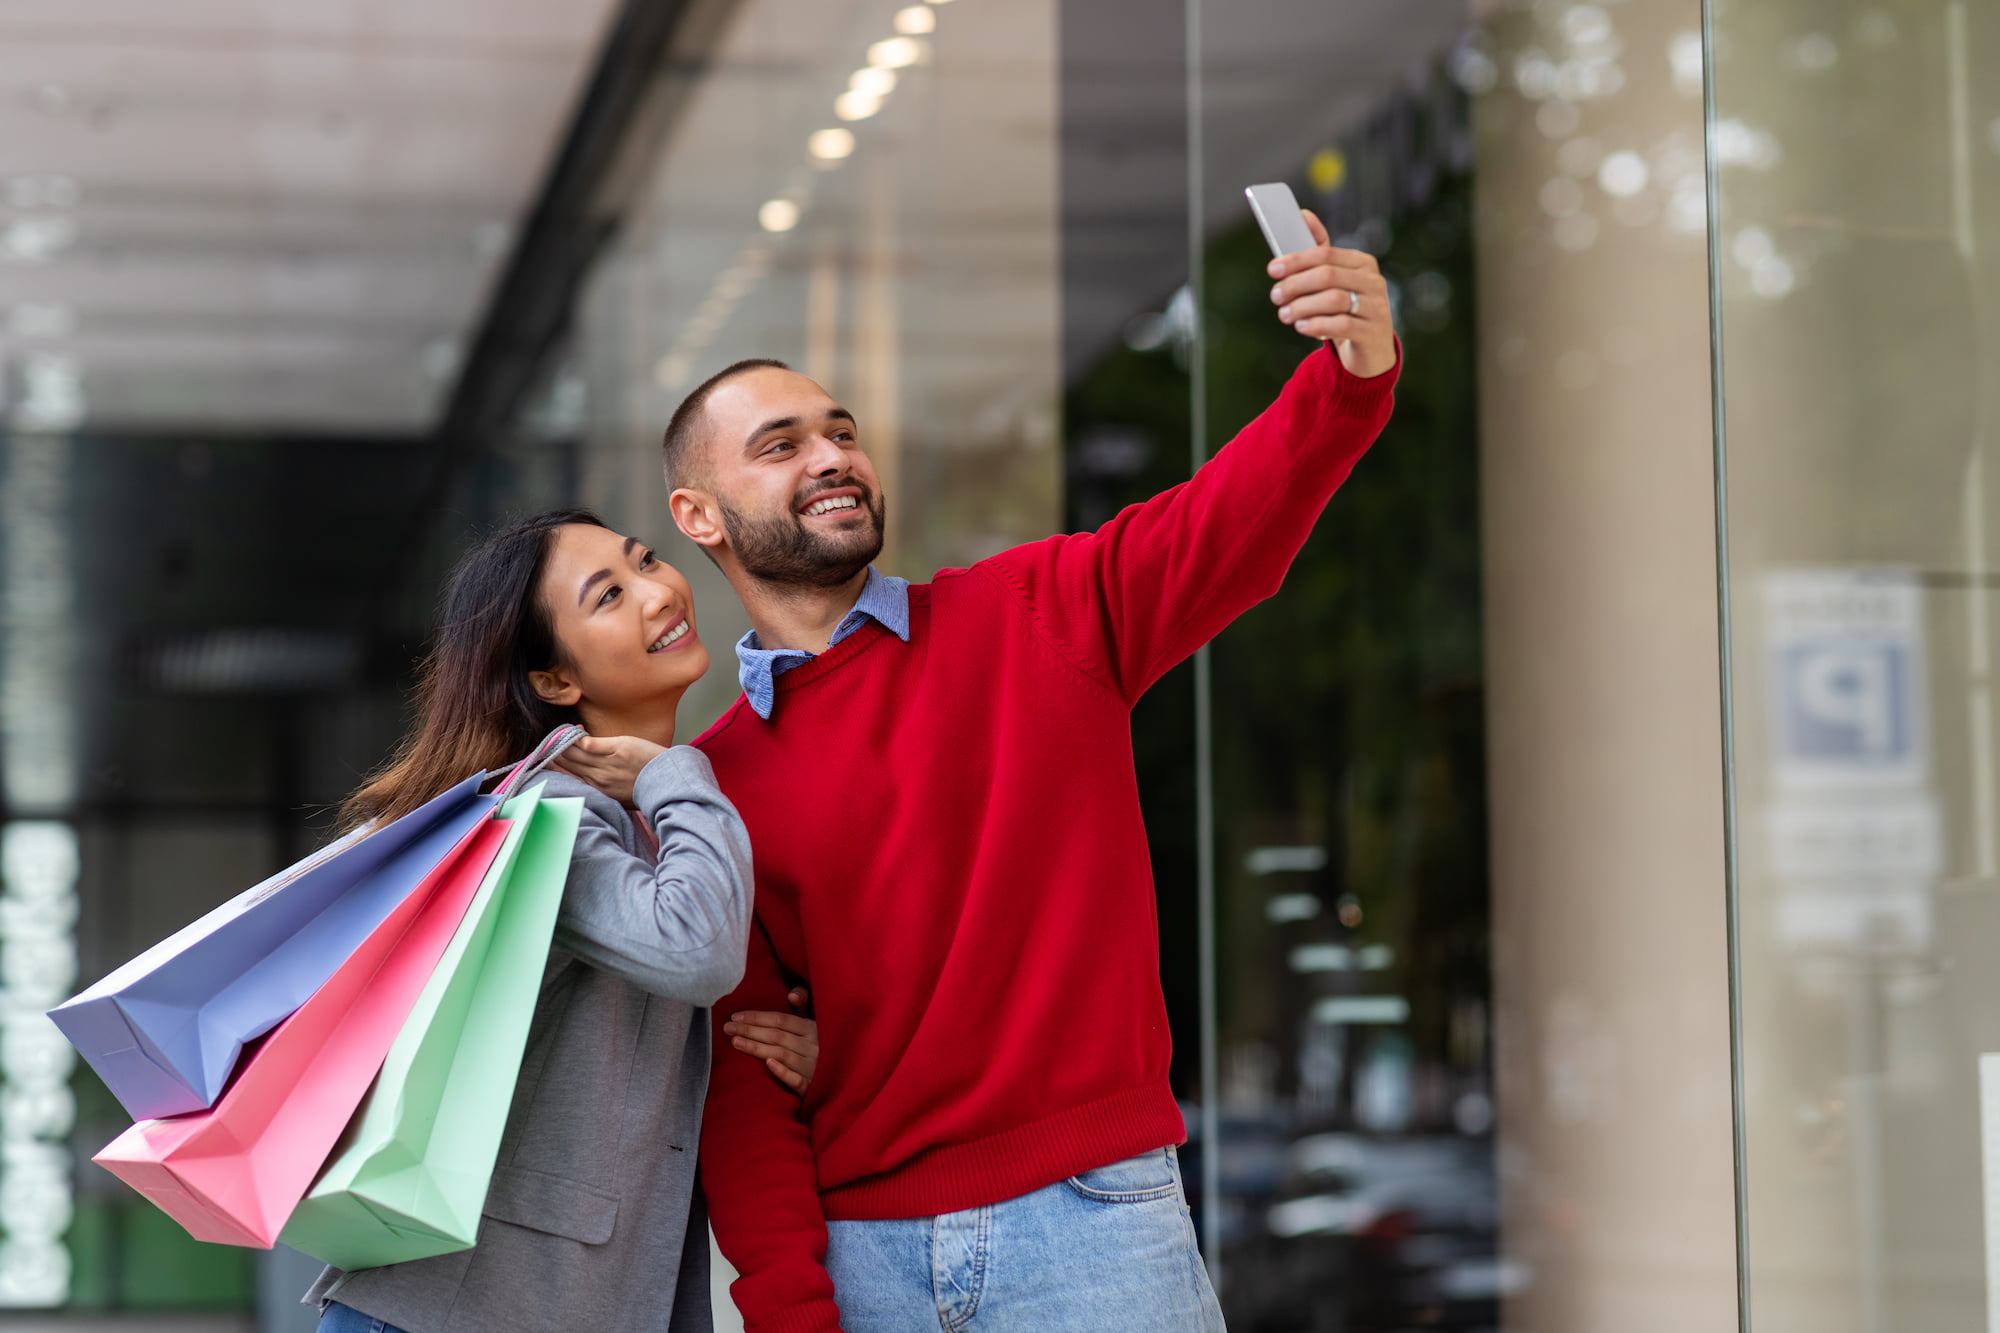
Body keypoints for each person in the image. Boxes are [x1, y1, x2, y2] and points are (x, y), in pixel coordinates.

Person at [641, 212, 1398, 1331]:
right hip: (864, 1261)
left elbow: (1238, 513)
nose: (831, 457)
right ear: (697, 515)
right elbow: (749, 1097)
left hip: (1095, 1228)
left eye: (838, 432)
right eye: (780, 445)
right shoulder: (709, 789)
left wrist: (1352, 371)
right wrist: (793, 1313)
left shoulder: (1037, 612)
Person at [305, 510, 818, 1333]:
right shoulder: (552, 818)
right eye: (610, 594)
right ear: (553, 681)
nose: (658, 592)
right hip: (460, 1310)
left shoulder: (644, 820)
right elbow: (696, 948)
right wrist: (677, 771)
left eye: (646, 561)